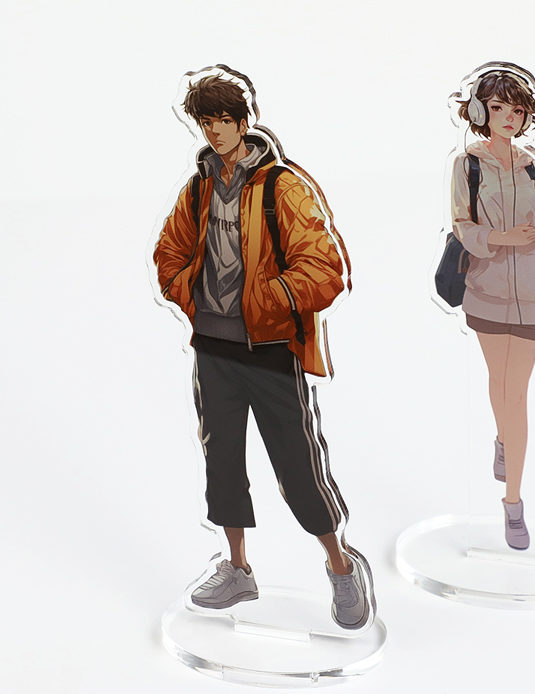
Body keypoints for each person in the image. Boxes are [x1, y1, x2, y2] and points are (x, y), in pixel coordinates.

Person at [153, 65, 374, 630]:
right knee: (222, 463)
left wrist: (267, 300)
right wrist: (190, 295)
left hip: (270, 350)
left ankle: (341, 567)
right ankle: (237, 569)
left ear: (243, 121)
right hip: (212, 349)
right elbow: (169, 250)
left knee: (298, 467)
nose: (213, 131)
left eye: (222, 120)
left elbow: (325, 269)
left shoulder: (283, 187)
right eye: (205, 122)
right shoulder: (199, 186)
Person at [450, 63, 535, 550]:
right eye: (498, 107)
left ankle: (513, 501)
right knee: (499, 383)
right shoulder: (469, 166)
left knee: (516, 393)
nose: (508, 117)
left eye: (517, 110)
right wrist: (501, 239)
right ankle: (505, 438)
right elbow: (462, 225)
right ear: (481, 111)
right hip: (487, 290)